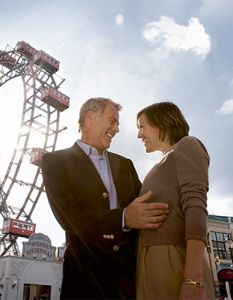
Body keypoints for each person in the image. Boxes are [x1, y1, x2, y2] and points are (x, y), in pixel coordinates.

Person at [42, 97, 169, 299]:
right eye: (112, 121)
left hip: (128, 282)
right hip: (84, 281)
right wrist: (124, 218)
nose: (117, 129)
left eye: (117, 123)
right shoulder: (54, 162)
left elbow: (146, 208)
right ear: (90, 117)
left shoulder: (125, 164)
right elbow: (69, 219)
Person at [135, 101, 215, 299]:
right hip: (149, 259)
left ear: (161, 122)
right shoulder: (163, 159)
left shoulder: (188, 145)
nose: (139, 135)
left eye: (142, 126)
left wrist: (193, 278)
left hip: (173, 261)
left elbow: (196, 206)